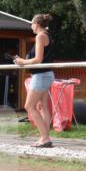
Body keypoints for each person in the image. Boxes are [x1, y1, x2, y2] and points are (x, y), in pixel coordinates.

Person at [14, 14, 54, 148]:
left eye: (31, 23)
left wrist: (22, 61)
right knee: (43, 106)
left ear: (36, 24)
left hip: (41, 75)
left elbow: (38, 59)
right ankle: (45, 136)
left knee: (29, 106)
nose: (31, 26)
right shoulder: (47, 35)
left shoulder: (40, 36)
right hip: (47, 74)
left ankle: (45, 137)